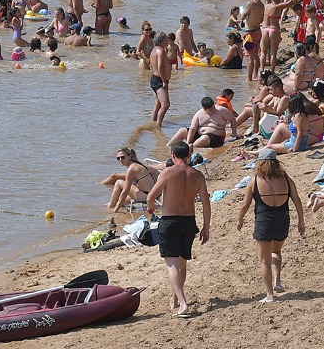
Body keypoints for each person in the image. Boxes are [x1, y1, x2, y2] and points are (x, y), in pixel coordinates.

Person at [145, 141, 211, 317]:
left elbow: (151, 196)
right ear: (188, 156)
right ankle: (175, 299)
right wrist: (206, 227)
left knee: (172, 263)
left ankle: (182, 303)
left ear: (173, 155)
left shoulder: (168, 172)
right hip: (189, 221)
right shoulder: (197, 175)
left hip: (170, 221)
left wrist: (150, 208)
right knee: (182, 263)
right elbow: (206, 203)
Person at [235, 148, 305, 302]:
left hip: (264, 221)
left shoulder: (255, 180)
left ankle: (269, 295)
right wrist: (301, 221)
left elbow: (245, 204)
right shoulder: (286, 179)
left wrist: (240, 219)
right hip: (282, 219)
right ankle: (277, 281)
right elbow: (297, 200)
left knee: (264, 260)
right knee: (276, 251)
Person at [101, 146, 159, 212]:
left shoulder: (131, 169)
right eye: (118, 158)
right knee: (118, 201)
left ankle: (110, 209)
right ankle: (115, 206)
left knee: (118, 182)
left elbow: (125, 192)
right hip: (152, 194)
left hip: (145, 196)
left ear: (130, 156)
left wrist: (115, 210)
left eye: (122, 157)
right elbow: (156, 172)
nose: (120, 160)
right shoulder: (140, 165)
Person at [169, 95, 239, 148]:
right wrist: (188, 142)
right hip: (200, 136)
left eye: (213, 107)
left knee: (204, 138)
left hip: (216, 138)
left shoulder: (222, 111)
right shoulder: (199, 114)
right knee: (182, 130)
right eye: (210, 109)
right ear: (204, 108)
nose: (213, 110)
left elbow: (232, 120)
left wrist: (234, 134)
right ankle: (168, 148)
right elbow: (192, 129)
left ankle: (188, 149)